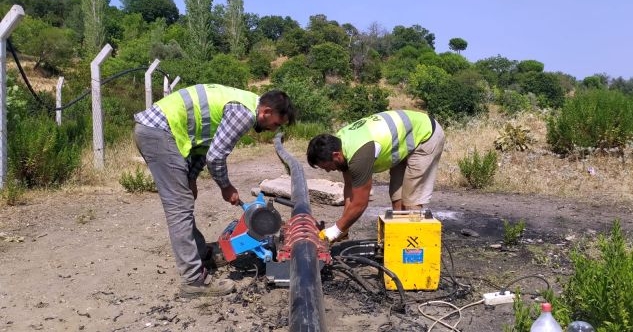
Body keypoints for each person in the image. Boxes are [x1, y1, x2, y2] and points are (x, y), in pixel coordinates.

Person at [133, 83, 295, 298]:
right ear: (266, 112)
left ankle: (201, 253)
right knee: (179, 207)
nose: (273, 129)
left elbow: (204, 143)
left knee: (184, 201)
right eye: (275, 124)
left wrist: (191, 177)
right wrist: (225, 187)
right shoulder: (244, 113)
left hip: (158, 130)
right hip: (159, 132)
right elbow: (216, 156)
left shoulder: (243, 103)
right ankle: (193, 281)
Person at [307, 110, 444, 242]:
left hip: (425, 135)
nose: (328, 171)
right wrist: (344, 228)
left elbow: (360, 203)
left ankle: (413, 254)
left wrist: (335, 231)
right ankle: (399, 245)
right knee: (398, 200)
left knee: (411, 203)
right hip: (405, 139)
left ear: (336, 155)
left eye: (326, 166)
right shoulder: (341, 146)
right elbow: (350, 189)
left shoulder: (359, 155)